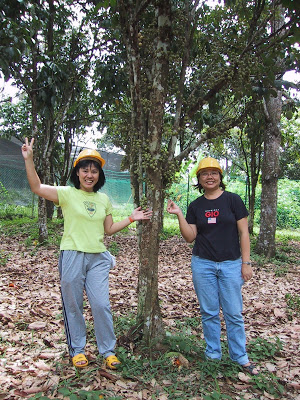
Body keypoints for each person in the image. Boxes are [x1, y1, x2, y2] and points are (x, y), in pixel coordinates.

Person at [21, 137, 152, 370]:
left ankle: (108, 351)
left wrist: (132, 218)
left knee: (101, 304)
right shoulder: (67, 194)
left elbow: (109, 230)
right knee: (73, 305)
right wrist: (29, 159)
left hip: (98, 258)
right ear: (78, 173)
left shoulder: (103, 199)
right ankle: (78, 350)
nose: (90, 175)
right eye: (85, 170)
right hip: (72, 255)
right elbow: (37, 188)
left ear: (100, 175)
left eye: (94, 171)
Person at [166, 157, 258, 375]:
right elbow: (190, 237)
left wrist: (246, 263)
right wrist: (179, 214)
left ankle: (240, 356)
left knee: (233, 312)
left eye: (214, 173)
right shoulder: (196, 206)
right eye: (204, 173)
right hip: (203, 264)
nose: (209, 177)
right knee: (208, 312)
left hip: (231, 264)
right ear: (198, 178)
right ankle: (213, 354)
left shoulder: (233, 200)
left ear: (220, 177)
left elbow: (244, 233)